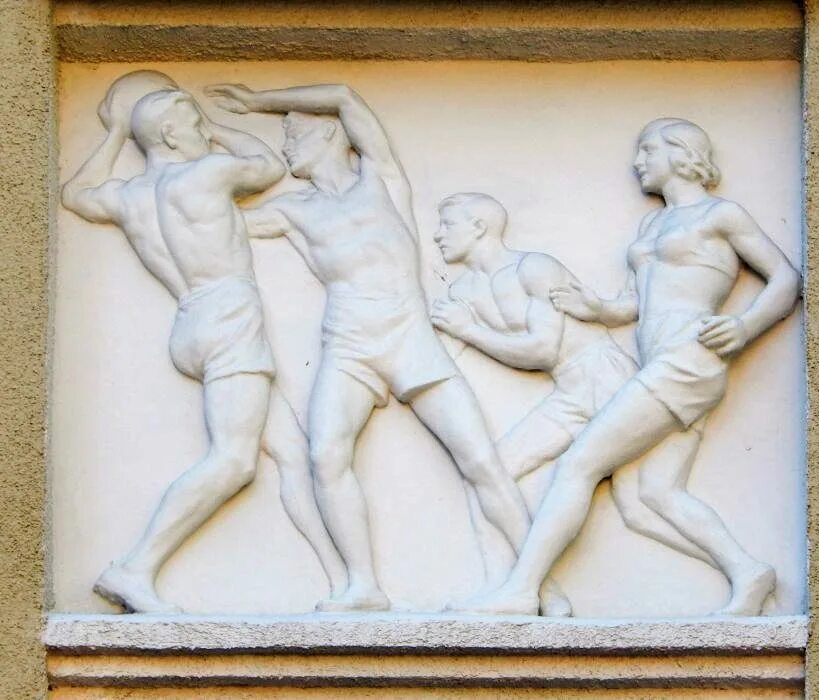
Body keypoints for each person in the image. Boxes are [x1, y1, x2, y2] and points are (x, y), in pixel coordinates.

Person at [205, 82, 531, 612]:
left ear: (328, 134)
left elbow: (343, 95)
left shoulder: (380, 180)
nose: (286, 147)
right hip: (349, 345)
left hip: (409, 338)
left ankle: (536, 582)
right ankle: (363, 587)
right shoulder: (293, 210)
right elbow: (208, 224)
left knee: (479, 459)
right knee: (325, 454)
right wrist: (200, 147)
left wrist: (255, 102)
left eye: (294, 133)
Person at [457, 118, 801, 616]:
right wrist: (596, 308)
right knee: (651, 498)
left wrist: (744, 327)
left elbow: (784, 277)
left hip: (688, 357)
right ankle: (748, 571)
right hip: (660, 362)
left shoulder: (720, 215)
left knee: (578, 464)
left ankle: (522, 590)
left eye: (647, 151)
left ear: (680, 153)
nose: (638, 162)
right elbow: (633, 304)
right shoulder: (651, 226)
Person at [62, 73, 345, 612]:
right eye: (193, 124)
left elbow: (75, 194)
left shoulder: (128, 195)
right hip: (230, 314)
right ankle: (134, 568)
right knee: (235, 460)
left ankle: (346, 583)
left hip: (190, 322)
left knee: (290, 452)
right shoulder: (208, 173)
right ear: (171, 134)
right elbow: (268, 165)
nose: (202, 131)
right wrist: (219, 127)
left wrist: (118, 132)